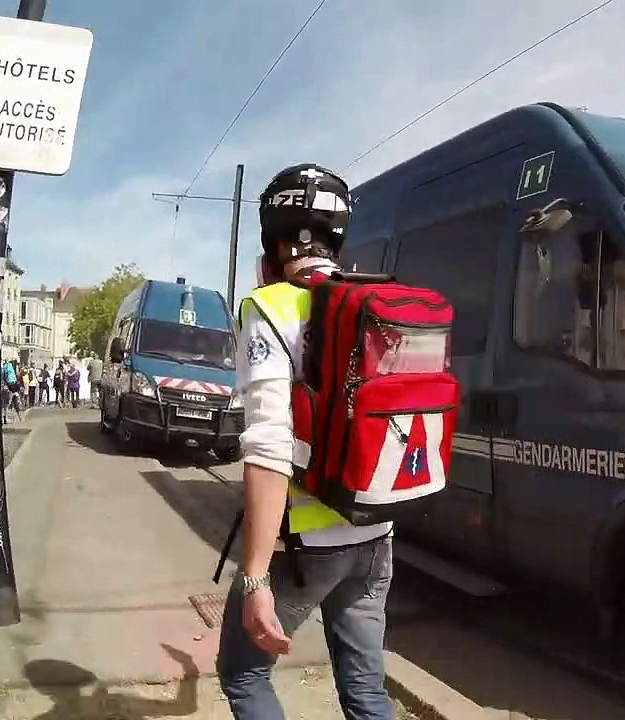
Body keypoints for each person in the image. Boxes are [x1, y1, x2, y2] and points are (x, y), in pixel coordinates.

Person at [217, 163, 395, 719]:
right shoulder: (376, 301)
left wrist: (254, 580)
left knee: (243, 673)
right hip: (376, 534)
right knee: (366, 690)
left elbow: (269, 446)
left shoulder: (268, 307)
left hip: (305, 548)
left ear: (274, 243)